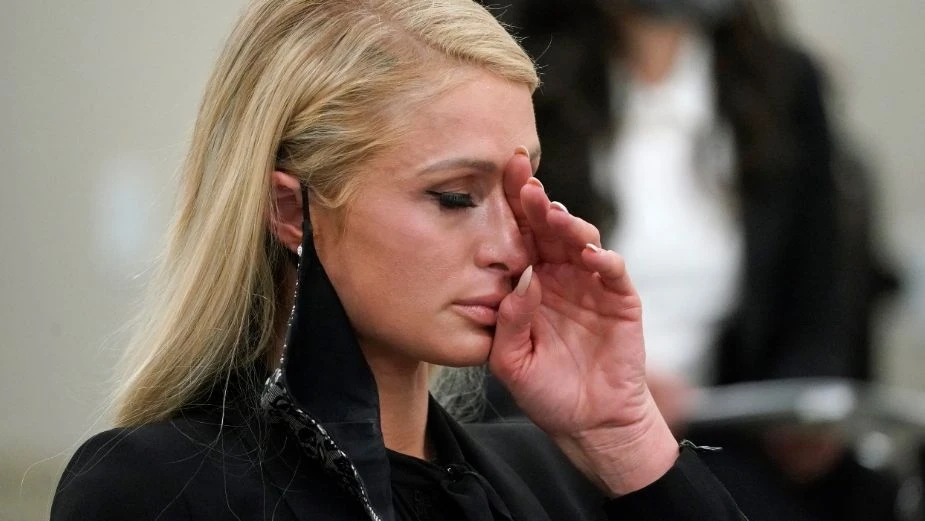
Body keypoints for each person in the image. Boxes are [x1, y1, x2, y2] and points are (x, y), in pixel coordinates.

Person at [51, 1, 747, 520]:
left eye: (522, 191)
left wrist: (624, 436)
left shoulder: (549, 477)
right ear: (290, 210)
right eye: (454, 197)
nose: (514, 249)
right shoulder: (160, 486)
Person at [476, 0, 900, 520]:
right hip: (541, 420)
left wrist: (803, 412)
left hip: (720, 428)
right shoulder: (516, 64)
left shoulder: (779, 79)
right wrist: (619, 390)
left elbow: (817, 289)